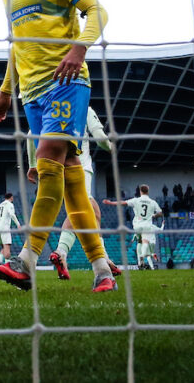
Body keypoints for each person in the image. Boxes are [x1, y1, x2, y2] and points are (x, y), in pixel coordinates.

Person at [0, 0, 116, 292]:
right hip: (31, 94)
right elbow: (17, 45)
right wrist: (6, 93)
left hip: (66, 83)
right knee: (70, 178)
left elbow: (97, 11)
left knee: (47, 161)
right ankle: (102, 269)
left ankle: (25, 261)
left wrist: (79, 48)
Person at [32, 107, 121, 279]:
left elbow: (31, 134)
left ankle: (103, 258)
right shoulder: (83, 106)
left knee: (94, 211)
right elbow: (100, 138)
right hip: (78, 166)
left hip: (54, 165)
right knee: (80, 209)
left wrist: (32, 165)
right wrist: (111, 147)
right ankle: (61, 252)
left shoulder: (51, 105)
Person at [103, 184, 164, 269]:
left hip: (137, 225)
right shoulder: (152, 202)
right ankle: (142, 256)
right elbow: (160, 213)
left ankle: (140, 262)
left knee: (139, 242)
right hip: (147, 225)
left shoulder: (136, 200)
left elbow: (123, 203)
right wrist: (153, 215)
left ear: (140, 191)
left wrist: (111, 203)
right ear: (148, 191)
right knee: (145, 242)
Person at [0, 193, 22, 265]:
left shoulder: (0, 205)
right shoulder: (9, 204)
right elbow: (12, 214)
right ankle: (7, 264)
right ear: (11, 197)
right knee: (7, 247)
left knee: (3, 246)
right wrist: (18, 224)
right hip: (4, 228)